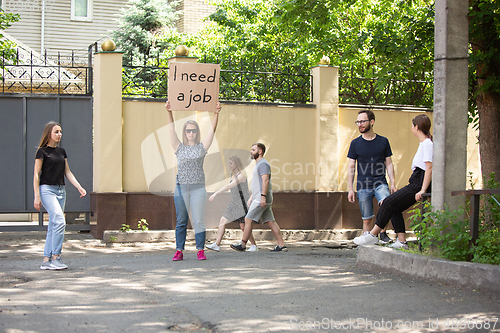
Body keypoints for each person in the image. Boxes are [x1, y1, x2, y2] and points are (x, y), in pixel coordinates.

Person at [353, 114, 433, 249]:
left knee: (388, 202)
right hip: (416, 181)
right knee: (394, 206)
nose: (411, 128)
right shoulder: (424, 143)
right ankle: (401, 241)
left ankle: (373, 235)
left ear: (417, 127)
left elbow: (429, 168)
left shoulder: (427, 144)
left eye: (413, 125)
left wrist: (423, 189)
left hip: (418, 183)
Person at [166, 101, 221, 261]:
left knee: (198, 220)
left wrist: (216, 113)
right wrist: (168, 111)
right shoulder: (179, 147)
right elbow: (171, 129)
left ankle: (200, 250)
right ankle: (179, 250)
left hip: (198, 189)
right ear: (185, 132)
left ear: (197, 133)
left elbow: (212, 130)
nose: (191, 133)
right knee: (181, 220)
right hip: (181, 188)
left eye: (194, 131)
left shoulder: (202, 147)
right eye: (188, 131)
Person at [34, 122, 87, 270]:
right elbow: (36, 174)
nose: (59, 134)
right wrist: (36, 196)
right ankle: (56, 257)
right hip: (47, 190)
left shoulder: (62, 152)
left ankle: (46, 259)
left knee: (53, 225)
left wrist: (79, 187)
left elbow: (67, 172)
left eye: (60, 132)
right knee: (59, 221)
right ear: (48, 133)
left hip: (60, 191)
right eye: (56, 132)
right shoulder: (42, 152)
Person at [347, 110, 397, 243]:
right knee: (367, 218)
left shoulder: (383, 141)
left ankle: (382, 233)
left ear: (372, 122)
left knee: (387, 204)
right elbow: (351, 167)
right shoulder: (355, 143)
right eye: (358, 122)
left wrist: (393, 183)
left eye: (362, 121)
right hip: (363, 185)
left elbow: (389, 163)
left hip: (380, 183)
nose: (360, 124)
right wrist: (350, 188)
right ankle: (366, 242)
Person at [230, 143, 287, 252]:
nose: (251, 151)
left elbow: (265, 180)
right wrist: (252, 197)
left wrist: (263, 197)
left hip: (261, 198)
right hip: (259, 197)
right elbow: (258, 183)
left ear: (259, 152)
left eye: (253, 149)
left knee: (247, 219)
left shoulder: (263, 164)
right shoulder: (259, 164)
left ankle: (243, 244)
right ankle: (281, 245)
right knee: (271, 221)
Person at [206, 155, 258, 252]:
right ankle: (217, 244)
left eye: (231, 163)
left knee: (243, 227)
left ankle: (254, 245)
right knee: (223, 221)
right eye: (228, 163)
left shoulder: (242, 175)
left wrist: (215, 193)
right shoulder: (232, 174)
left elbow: (229, 186)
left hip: (242, 203)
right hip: (235, 202)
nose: (229, 165)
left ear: (236, 164)